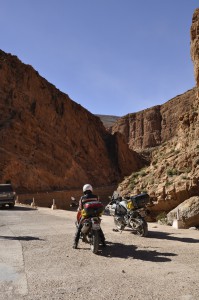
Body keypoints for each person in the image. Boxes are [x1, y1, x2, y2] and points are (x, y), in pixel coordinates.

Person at [73, 184, 106, 249]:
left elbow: (80, 208)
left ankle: (75, 244)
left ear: (84, 190)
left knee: (79, 228)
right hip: (96, 214)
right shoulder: (96, 196)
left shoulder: (82, 198)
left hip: (87, 215)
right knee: (99, 228)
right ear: (91, 189)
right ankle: (103, 242)